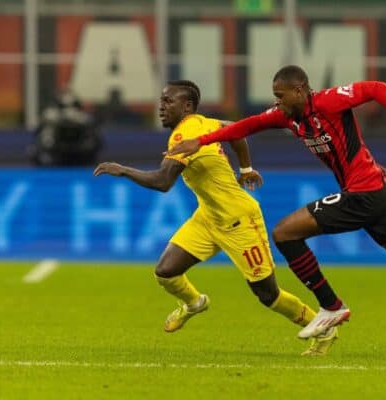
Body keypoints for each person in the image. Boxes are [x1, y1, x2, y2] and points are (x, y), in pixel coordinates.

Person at [167, 66, 386, 360]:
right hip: (378, 189)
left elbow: (377, 88)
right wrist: (203, 140)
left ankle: (331, 305)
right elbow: (246, 126)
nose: (277, 101)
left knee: (285, 232)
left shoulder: (330, 101)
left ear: (300, 90)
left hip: (365, 192)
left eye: (281, 94)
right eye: (275, 96)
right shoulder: (287, 115)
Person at [94, 80, 338, 356]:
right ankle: (195, 303)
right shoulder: (206, 123)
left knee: (268, 295)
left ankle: (324, 327)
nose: (161, 107)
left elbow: (163, 182)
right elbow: (235, 131)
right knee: (166, 271)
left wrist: (122, 169)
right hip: (209, 216)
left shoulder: (183, 135)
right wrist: (245, 168)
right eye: (161, 101)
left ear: (187, 106)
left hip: (239, 221)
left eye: (167, 102)